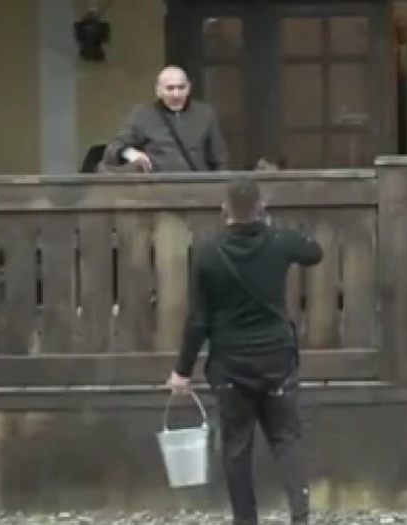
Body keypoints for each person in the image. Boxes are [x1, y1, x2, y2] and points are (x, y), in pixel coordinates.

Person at [166, 177, 323, 525]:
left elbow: (198, 319)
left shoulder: (207, 254)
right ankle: (300, 516)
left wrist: (182, 370)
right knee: (285, 439)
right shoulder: (279, 242)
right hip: (277, 359)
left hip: (231, 365)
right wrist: (274, 227)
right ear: (261, 207)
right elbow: (314, 252)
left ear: (225, 209)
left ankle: (245, 519)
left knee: (237, 446)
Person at [103, 65, 228, 173]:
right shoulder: (143, 115)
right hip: (159, 187)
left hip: (197, 187)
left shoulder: (205, 114)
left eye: (181, 87)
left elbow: (219, 159)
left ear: (189, 88)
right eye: (170, 88)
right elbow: (113, 148)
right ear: (158, 90)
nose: (176, 94)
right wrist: (131, 154)